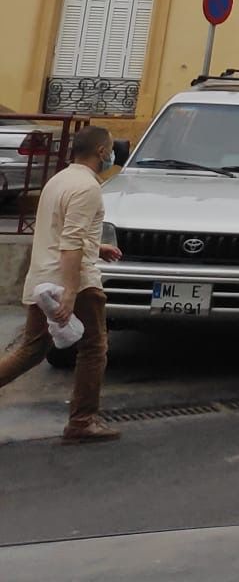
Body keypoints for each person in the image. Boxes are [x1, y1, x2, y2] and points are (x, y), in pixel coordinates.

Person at [0, 125, 124, 443]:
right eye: (111, 148)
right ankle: (82, 421)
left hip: (43, 276)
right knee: (94, 348)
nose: (113, 154)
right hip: (74, 280)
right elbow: (70, 243)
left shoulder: (58, 180)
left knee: (32, 349)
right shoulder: (88, 188)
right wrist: (69, 293)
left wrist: (97, 247)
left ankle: (82, 420)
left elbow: (62, 230)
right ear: (101, 152)